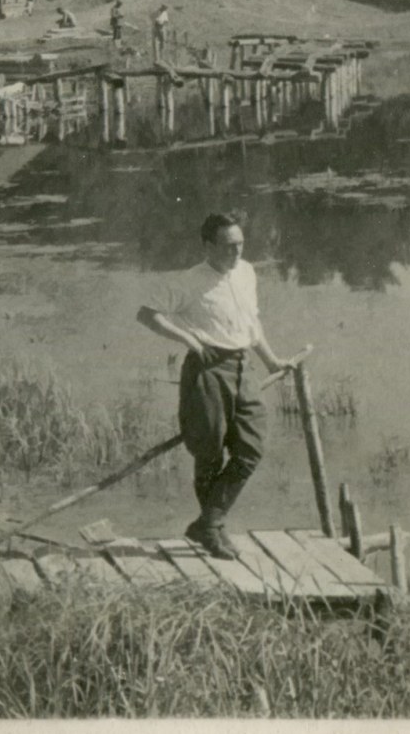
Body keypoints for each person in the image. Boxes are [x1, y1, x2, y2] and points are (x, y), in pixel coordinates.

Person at [136, 212, 296, 560]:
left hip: (243, 366)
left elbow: (252, 324)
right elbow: (148, 314)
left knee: (251, 449)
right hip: (207, 369)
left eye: (240, 244)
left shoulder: (247, 272)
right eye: (227, 246)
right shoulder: (190, 281)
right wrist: (188, 340)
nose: (235, 253)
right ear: (207, 246)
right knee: (208, 452)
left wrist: (272, 361)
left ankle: (209, 522)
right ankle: (213, 530)